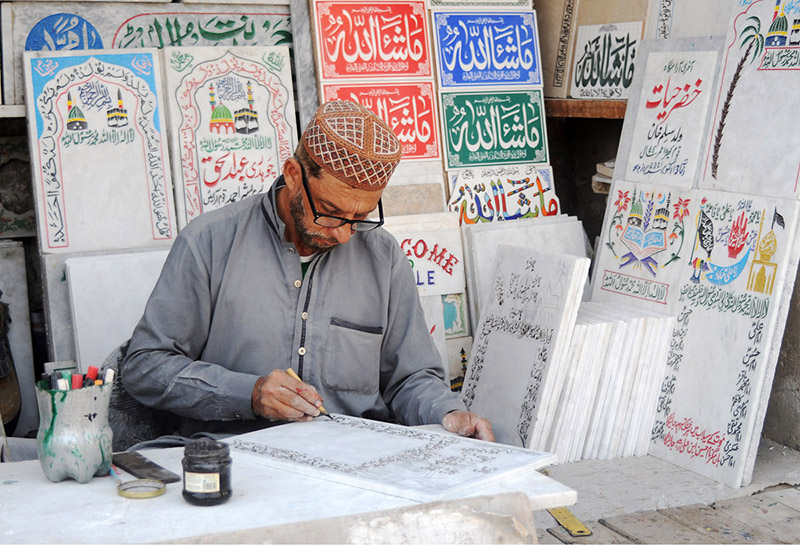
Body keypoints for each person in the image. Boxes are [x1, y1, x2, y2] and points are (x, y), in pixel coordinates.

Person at [122, 100, 494, 442]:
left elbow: (411, 378)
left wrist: (449, 414)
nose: (345, 235)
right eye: (331, 212)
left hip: (354, 464)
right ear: (293, 174)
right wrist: (247, 393)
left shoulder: (383, 258)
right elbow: (145, 366)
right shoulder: (209, 242)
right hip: (232, 462)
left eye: (361, 217)